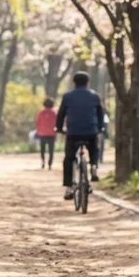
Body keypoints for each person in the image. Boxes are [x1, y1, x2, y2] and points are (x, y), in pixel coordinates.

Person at [56, 72, 105, 201]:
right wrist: (100, 128)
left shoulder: (67, 96)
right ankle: (94, 167)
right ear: (87, 83)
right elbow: (100, 114)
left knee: (69, 158)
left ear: (74, 83)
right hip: (91, 131)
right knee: (94, 149)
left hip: (73, 132)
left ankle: (68, 187)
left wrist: (60, 128)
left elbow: (61, 114)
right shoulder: (94, 96)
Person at [36, 98, 57, 169]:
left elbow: (38, 122)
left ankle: (43, 161)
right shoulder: (54, 112)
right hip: (52, 133)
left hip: (43, 133)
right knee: (51, 150)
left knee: (42, 149)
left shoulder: (41, 112)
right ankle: (50, 164)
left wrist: (38, 131)